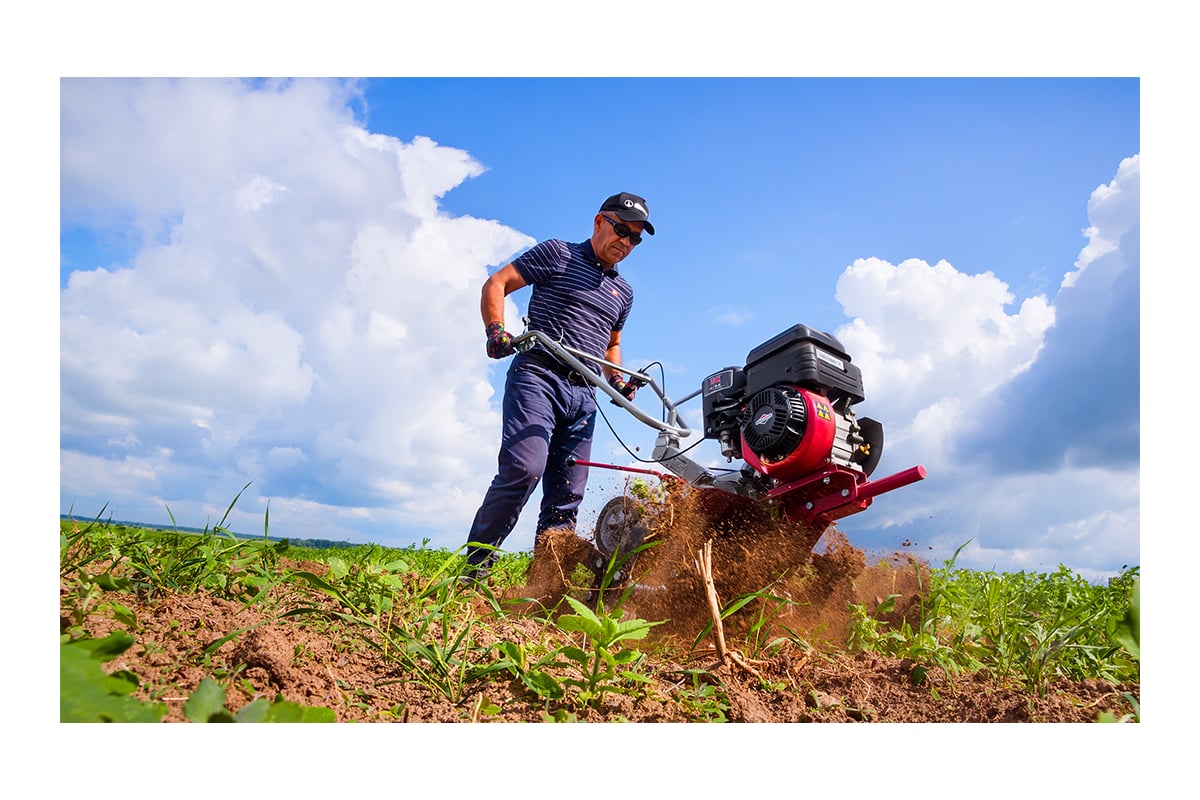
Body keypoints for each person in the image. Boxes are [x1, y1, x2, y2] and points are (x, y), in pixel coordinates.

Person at [461, 192, 655, 582]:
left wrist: (616, 380)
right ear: (600, 221)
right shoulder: (558, 253)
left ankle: (543, 588)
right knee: (523, 467)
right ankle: (473, 573)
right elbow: (497, 283)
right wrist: (496, 330)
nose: (626, 243)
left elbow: (611, 343)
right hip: (539, 375)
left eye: (635, 239)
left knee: (566, 497)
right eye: (622, 231)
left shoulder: (624, 293)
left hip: (584, 395)